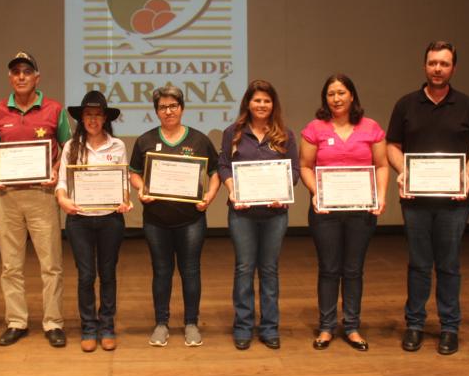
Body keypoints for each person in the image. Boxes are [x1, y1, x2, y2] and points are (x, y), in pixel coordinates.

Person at [386, 41, 469, 355]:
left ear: (453, 68)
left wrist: (466, 174)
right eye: (432, 63)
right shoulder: (406, 104)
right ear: (424, 66)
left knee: (448, 265)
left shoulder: (468, 106)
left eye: (444, 64)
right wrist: (403, 170)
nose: (438, 69)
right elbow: (392, 146)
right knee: (418, 265)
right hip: (415, 201)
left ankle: (449, 328)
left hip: (454, 203)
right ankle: (414, 325)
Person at [299, 74, 389, 352]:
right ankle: (326, 327)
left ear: (352, 95)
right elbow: (305, 166)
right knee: (328, 269)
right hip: (325, 211)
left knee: (353, 270)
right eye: (330, 94)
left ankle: (351, 326)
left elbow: (383, 165)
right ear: (325, 98)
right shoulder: (315, 128)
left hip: (361, 211)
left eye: (341, 93)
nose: (336, 99)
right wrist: (318, 193)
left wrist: (381, 196)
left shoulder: (371, 127)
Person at [0, 51, 71, 348]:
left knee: (51, 264)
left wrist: (55, 169)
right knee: (10, 265)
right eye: (15, 72)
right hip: (7, 196)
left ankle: (53, 322)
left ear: (37, 77)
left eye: (27, 71)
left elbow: (68, 147)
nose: (21, 76)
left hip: (42, 194)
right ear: (10, 77)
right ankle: (16, 321)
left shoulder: (54, 109)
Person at [129, 85, 220, 348]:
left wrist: (210, 196)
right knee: (161, 272)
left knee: (191, 271)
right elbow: (134, 172)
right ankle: (161, 323)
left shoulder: (199, 140)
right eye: (162, 107)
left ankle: (191, 322)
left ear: (181, 108)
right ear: (156, 111)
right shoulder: (145, 140)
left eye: (173, 106)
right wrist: (140, 187)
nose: (168, 111)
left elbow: (215, 172)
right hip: (156, 221)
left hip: (191, 220)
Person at [218, 80, 298, 350]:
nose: (261, 105)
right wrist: (231, 190)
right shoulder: (234, 133)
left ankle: (269, 327)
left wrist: (284, 190)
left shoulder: (285, 135)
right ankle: (242, 326)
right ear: (248, 104)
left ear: (273, 104)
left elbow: (295, 171)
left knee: (269, 270)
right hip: (242, 213)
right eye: (256, 100)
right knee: (243, 269)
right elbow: (224, 166)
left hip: (275, 213)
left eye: (266, 100)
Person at [55, 90, 132, 352]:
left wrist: (125, 199)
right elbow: (63, 182)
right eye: (88, 115)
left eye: (98, 115)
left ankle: (107, 325)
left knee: (108, 274)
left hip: (110, 219)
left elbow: (123, 182)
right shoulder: (71, 147)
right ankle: (88, 326)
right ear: (82, 118)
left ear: (105, 119)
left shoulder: (117, 146)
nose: (93, 120)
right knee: (86, 276)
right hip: (79, 220)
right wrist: (63, 200)